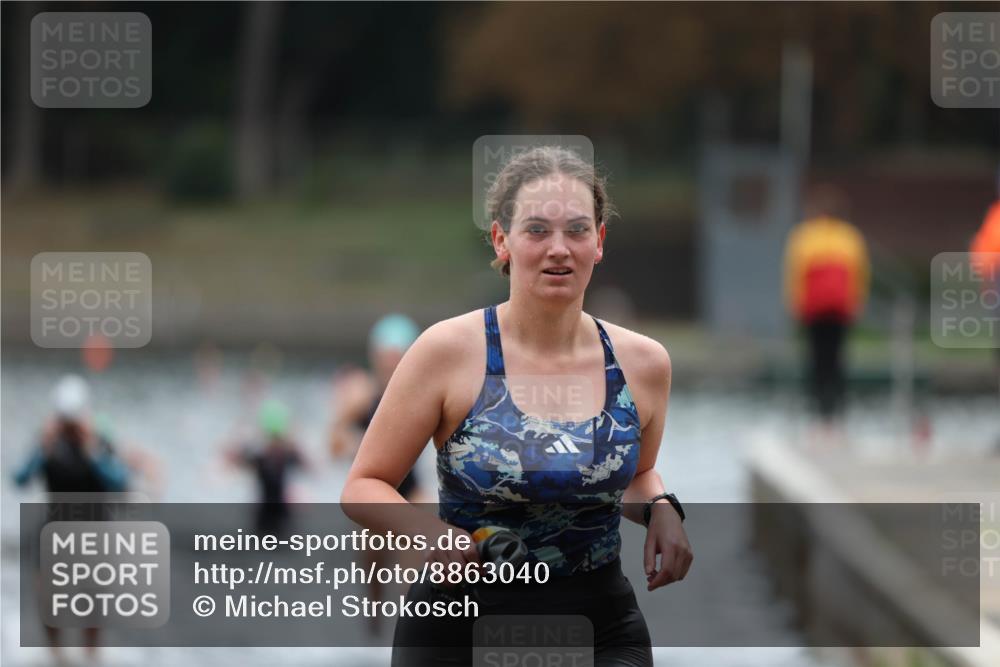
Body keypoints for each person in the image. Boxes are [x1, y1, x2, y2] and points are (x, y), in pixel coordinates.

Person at [341, 146, 692, 666]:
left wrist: (663, 510)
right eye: (536, 231)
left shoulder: (643, 364)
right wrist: (434, 535)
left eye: (576, 231)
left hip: (598, 626)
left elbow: (633, 477)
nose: (559, 249)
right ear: (501, 241)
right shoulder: (447, 352)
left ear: (599, 242)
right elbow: (362, 487)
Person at [14, 374, 130, 663]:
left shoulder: (99, 439)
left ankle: (92, 656)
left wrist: (91, 450)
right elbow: (20, 478)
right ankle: (56, 656)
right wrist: (43, 447)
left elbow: (120, 482)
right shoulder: (48, 441)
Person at [783, 186, 870, 422]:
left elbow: (795, 273)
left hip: (814, 309)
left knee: (816, 358)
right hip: (840, 309)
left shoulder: (804, 236)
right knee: (838, 357)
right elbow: (859, 274)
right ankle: (838, 410)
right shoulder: (850, 237)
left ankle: (819, 411)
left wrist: (794, 304)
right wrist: (857, 303)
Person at [329, 313, 426, 502]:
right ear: (375, 357)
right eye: (387, 357)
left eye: (397, 357)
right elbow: (334, 448)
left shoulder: (420, 397)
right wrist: (347, 424)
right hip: (372, 498)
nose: (391, 364)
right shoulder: (362, 396)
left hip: (412, 495)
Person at [226, 399, 307, 535]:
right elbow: (231, 460)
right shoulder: (268, 456)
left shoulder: (267, 456)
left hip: (274, 517)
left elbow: (231, 460)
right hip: (270, 518)